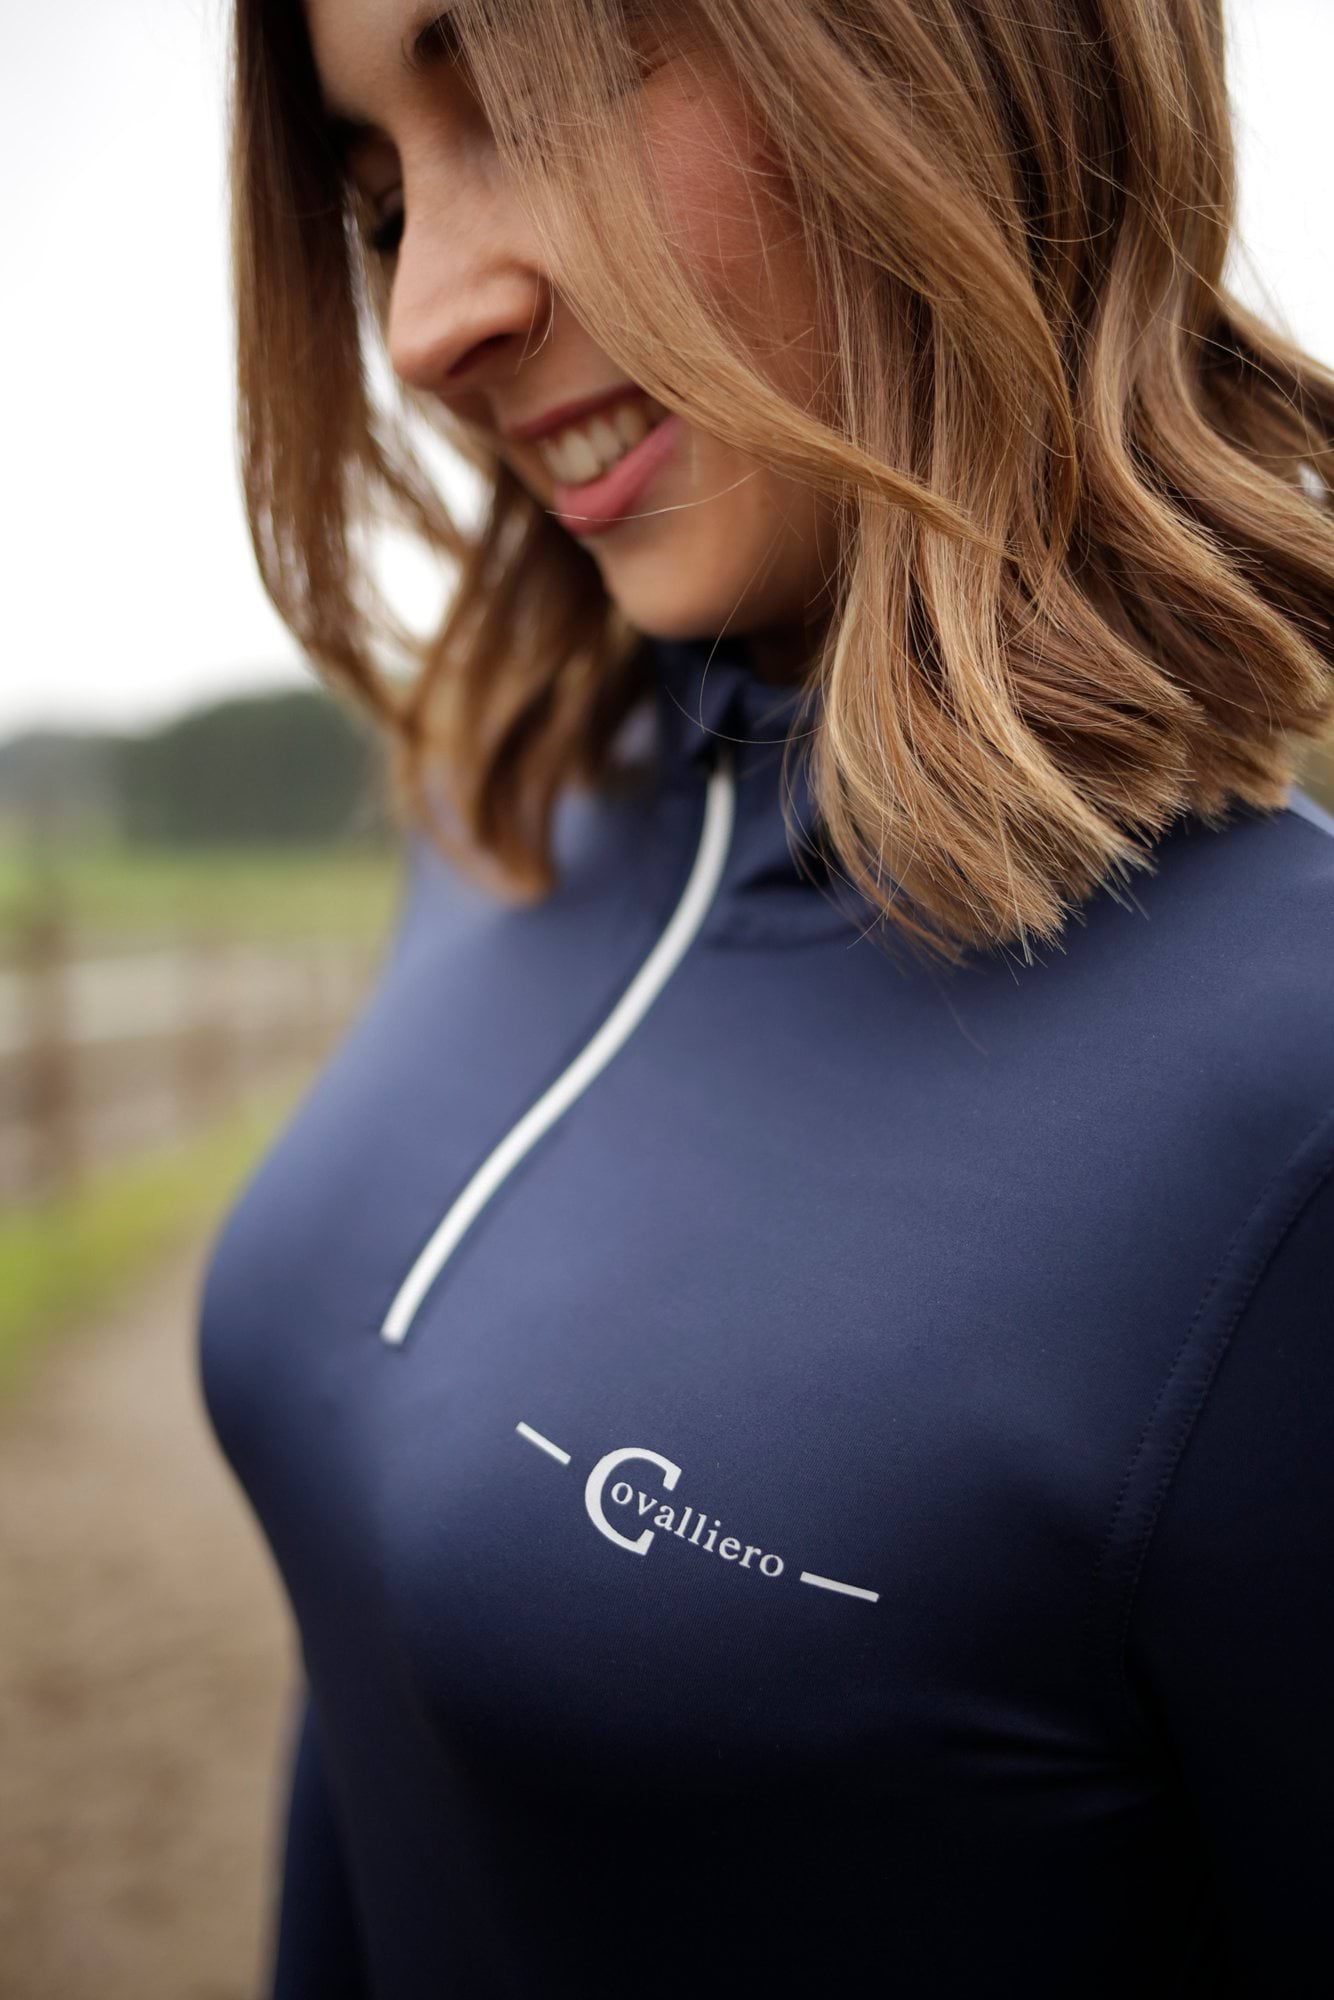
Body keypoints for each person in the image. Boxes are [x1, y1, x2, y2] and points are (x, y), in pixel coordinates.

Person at [197, 1, 1334, 1992]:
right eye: (378, 206)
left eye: (537, 94)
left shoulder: (1289, 1093)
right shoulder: (506, 834)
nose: (427, 320)